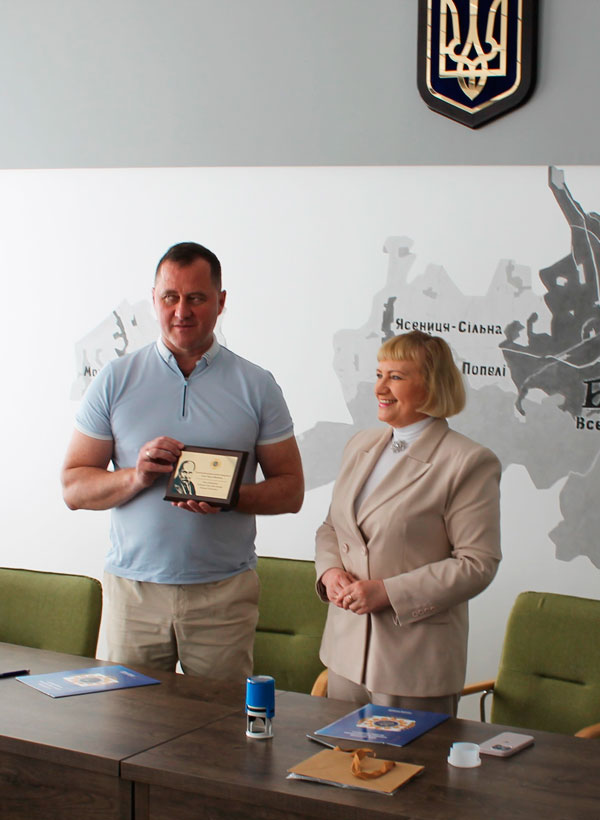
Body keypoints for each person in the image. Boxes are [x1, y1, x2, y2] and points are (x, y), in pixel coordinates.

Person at [62, 242, 304, 680]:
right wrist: (137, 477)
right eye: (170, 297)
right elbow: (74, 489)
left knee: (220, 720)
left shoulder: (258, 385)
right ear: (153, 299)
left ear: (221, 302)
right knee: (121, 715)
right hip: (133, 593)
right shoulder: (114, 380)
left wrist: (229, 497)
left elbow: (291, 491)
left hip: (223, 593)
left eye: (196, 298)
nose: (181, 311)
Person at [315, 330, 501, 715]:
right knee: (339, 754)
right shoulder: (360, 444)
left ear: (431, 385)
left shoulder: (468, 461)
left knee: (410, 758)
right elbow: (332, 528)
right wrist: (330, 573)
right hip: (344, 653)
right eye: (378, 374)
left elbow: (477, 564)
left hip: (413, 663)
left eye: (396, 376)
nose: (379, 387)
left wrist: (388, 592)